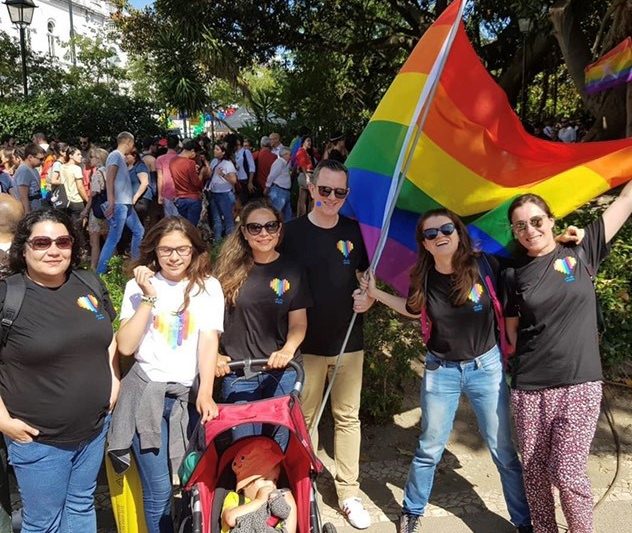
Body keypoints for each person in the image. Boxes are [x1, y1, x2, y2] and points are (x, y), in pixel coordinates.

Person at [360, 208, 533, 533]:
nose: (439, 236)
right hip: (441, 371)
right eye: (431, 233)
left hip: (487, 368)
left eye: (446, 229)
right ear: (424, 243)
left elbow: (524, 281)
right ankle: (412, 511)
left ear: (458, 232)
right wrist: (377, 294)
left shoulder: (485, 265)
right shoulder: (422, 276)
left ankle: (524, 521)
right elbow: (413, 310)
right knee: (429, 448)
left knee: (503, 452)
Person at [505, 187, 632, 533]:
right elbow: (512, 330)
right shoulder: (514, 273)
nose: (530, 230)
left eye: (536, 221)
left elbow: (624, 201)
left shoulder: (582, 250)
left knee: (566, 470)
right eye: (520, 226)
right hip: (529, 387)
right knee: (534, 472)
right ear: (515, 233)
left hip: (580, 382)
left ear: (551, 220)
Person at [0, 208, 118, 533]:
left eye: (62, 241)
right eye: (41, 242)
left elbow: (108, 337)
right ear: (23, 248)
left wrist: (115, 381)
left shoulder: (89, 282)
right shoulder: (8, 297)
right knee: (43, 523)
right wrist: (2, 420)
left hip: (93, 431)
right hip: (40, 439)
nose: (54, 250)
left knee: (81, 504)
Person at [109, 216, 224, 533]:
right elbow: (127, 346)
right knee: (159, 491)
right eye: (166, 250)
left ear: (194, 250)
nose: (175, 257)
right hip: (146, 396)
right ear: (154, 252)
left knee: (188, 483)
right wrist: (148, 296)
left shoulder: (207, 287)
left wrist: (206, 392)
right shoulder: (138, 286)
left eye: (183, 249)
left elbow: (208, 340)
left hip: (186, 399)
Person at [279, 159, 373, 530]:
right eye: (325, 190)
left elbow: (366, 278)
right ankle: (308, 486)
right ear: (311, 186)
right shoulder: (290, 233)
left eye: (340, 192)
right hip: (307, 345)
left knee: (348, 418)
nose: (331, 198)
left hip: (350, 339)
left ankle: (349, 493)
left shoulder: (355, 231)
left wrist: (369, 297)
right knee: (308, 420)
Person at [214, 199, 311, 447]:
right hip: (238, 373)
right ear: (245, 233)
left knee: (278, 445)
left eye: (270, 226)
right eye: (255, 228)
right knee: (244, 448)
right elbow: (211, 320)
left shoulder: (293, 269)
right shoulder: (227, 272)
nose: (264, 233)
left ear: (279, 229)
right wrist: (214, 354)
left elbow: (298, 322)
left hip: (281, 372)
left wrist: (288, 349)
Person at [221, 437, 297, 533]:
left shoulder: (274, 505)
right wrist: (259, 500)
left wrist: (290, 502)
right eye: (265, 479)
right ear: (246, 484)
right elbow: (230, 519)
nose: (271, 485)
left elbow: (289, 530)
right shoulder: (234, 498)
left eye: (275, 480)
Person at [96, 132, 145, 274]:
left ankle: (135, 264)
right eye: (133, 143)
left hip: (125, 203)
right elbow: (109, 179)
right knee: (114, 238)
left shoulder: (119, 157)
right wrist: (111, 201)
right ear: (129, 142)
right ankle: (100, 273)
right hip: (119, 204)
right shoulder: (115, 156)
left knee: (138, 231)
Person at [83, 148, 110, 271]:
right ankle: (112, 264)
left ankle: (94, 267)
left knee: (94, 241)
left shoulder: (97, 174)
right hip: (108, 208)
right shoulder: (110, 171)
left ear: (98, 159)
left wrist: (86, 211)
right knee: (109, 239)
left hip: (97, 210)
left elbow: (93, 195)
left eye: (92, 157)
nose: (90, 159)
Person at [171, 140, 209, 226]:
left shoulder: (172, 161)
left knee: (184, 225)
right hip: (192, 198)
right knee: (191, 227)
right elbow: (196, 183)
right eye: (196, 153)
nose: (195, 156)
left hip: (179, 198)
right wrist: (202, 173)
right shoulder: (190, 163)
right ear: (192, 151)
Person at [205, 142, 237, 242]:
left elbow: (233, 180)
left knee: (228, 218)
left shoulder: (228, 164)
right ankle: (217, 241)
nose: (215, 151)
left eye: (217, 149)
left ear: (223, 152)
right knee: (216, 218)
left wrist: (223, 175)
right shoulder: (214, 161)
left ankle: (230, 241)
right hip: (214, 192)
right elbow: (210, 175)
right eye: (214, 149)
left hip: (224, 194)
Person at [60, 145, 89, 223]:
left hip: (64, 201)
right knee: (78, 226)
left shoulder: (61, 167)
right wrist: (87, 200)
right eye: (78, 154)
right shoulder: (76, 168)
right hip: (76, 201)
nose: (81, 156)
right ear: (70, 156)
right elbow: (80, 187)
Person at [15, 143, 45, 214]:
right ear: (30, 157)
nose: (42, 161)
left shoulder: (34, 169)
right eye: (40, 159)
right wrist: (27, 214)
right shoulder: (24, 171)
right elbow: (23, 196)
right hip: (30, 211)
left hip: (36, 208)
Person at [265, 147, 293, 222]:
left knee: (287, 215)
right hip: (279, 190)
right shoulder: (279, 162)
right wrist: (267, 187)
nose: (290, 156)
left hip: (285, 191)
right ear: (284, 154)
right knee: (275, 214)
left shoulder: (285, 163)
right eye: (289, 155)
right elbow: (272, 176)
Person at [156, 135, 180, 217]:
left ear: (166, 145)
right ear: (177, 145)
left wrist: (160, 195)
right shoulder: (181, 158)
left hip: (166, 193)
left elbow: (160, 178)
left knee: (169, 221)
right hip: (181, 193)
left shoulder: (160, 159)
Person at [294, 136, 318, 217]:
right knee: (313, 196)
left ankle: (300, 217)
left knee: (302, 197)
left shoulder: (306, 152)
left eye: (310, 141)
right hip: (306, 175)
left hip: (305, 175)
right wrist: (307, 176)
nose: (310, 143)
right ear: (303, 142)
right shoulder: (301, 151)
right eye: (308, 141)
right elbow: (302, 165)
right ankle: (309, 216)